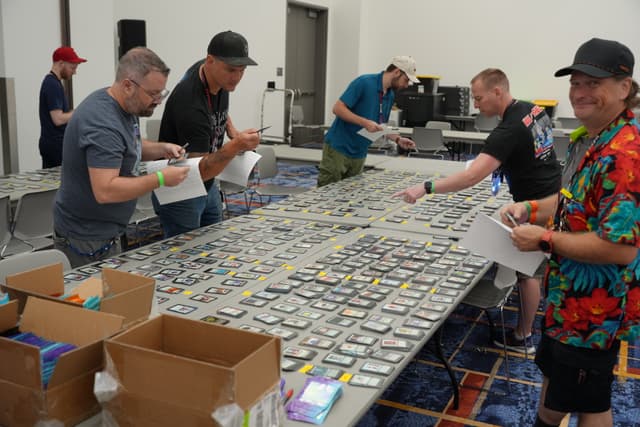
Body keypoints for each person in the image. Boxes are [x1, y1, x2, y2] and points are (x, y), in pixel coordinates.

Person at [503, 38, 640, 427]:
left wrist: (544, 239)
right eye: (575, 83)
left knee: (591, 401)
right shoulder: (597, 138)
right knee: (560, 381)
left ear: (623, 88)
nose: (579, 93)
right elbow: (572, 204)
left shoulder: (624, 156)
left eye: (592, 84)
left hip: (593, 312)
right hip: (568, 302)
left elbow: (620, 249)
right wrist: (529, 208)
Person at [393, 68, 562, 354]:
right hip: (550, 195)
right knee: (530, 266)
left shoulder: (507, 130)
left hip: (534, 205)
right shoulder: (532, 109)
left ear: (498, 92)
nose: (475, 105)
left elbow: (472, 178)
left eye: (479, 98)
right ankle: (526, 326)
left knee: (527, 271)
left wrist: (426, 187)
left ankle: (523, 337)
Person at [53, 47, 190, 268]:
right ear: (128, 85)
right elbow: (105, 190)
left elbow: (126, 146)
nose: (158, 101)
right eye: (154, 94)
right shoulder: (102, 121)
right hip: (86, 238)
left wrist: (161, 148)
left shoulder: (126, 106)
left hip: (106, 231)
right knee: (90, 299)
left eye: (161, 93)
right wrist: (161, 179)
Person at [152, 30, 260, 238]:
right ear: (210, 61)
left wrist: (231, 130)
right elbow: (199, 170)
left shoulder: (216, 76)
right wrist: (236, 145)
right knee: (183, 255)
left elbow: (218, 110)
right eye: (231, 70)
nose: (237, 78)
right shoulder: (191, 103)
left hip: (209, 184)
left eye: (242, 70)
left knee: (213, 241)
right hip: (181, 188)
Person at [317, 56, 419, 187]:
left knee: (350, 196)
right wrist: (364, 122)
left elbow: (382, 124)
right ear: (397, 72)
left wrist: (398, 139)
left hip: (360, 152)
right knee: (327, 194)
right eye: (406, 80)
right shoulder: (364, 83)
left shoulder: (390, 95)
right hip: (339, 148)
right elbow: (337, 108)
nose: (406, 85)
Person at [39, 46, 87, 168]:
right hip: (55, 146)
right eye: (72, 67)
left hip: (53, 143)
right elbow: (58, 119)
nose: (74, 72)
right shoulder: (52, 85)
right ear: (61, 63)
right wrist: (79, 112)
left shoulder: (53, 83)